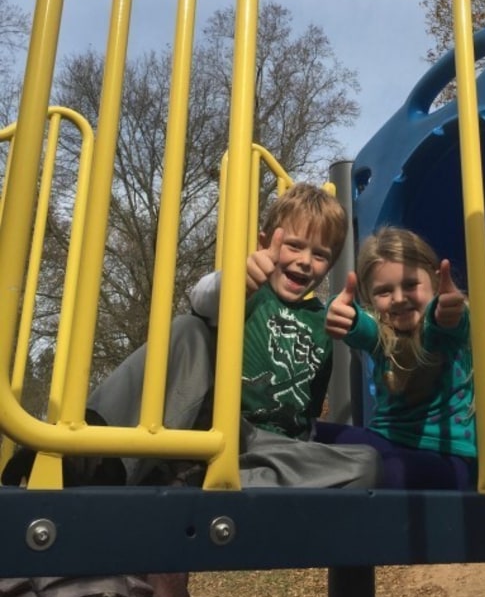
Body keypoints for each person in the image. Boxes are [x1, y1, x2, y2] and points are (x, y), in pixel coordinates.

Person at [4, 183, 382, 489]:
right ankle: (91, 455)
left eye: (319, 255)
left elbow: (362, 356)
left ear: (329, 264)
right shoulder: (247, 290)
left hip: (270, 449)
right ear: (265, 242)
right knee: (187, 330)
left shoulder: (323, 321)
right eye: (294, 246)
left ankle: (203, 480)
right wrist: (236, 279)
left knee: (364, 465)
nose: (304, 260)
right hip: (216, 427)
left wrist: (356, 325)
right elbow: (202, 299)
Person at [320, 226, 476, 489]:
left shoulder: (444, 324)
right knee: (311, 434)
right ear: (369, 297)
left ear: (435, 282)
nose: (399, 298)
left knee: (386, 470)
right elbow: (364, 328)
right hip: (384, 441)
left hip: (447, 457)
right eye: (384, 291)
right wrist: (345, 314)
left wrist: (447, 312)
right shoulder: (383, 333)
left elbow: (443, 327)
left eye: (411, 284)